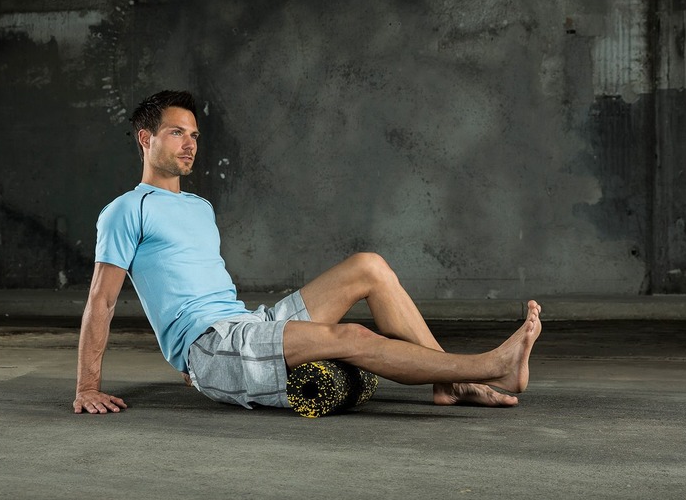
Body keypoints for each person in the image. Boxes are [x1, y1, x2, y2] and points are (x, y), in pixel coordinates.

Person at [73, 90, 542, 415]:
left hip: (247, 326)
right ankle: (489, 368)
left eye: (194, 135)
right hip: (212, 347)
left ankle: (449, 383)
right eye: (177, 133)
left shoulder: (199, 206)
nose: (190, 144)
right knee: (352, 337)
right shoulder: (125, 210)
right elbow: (102, 300)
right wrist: (88, 387)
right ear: (146, 138)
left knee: (369, 266)